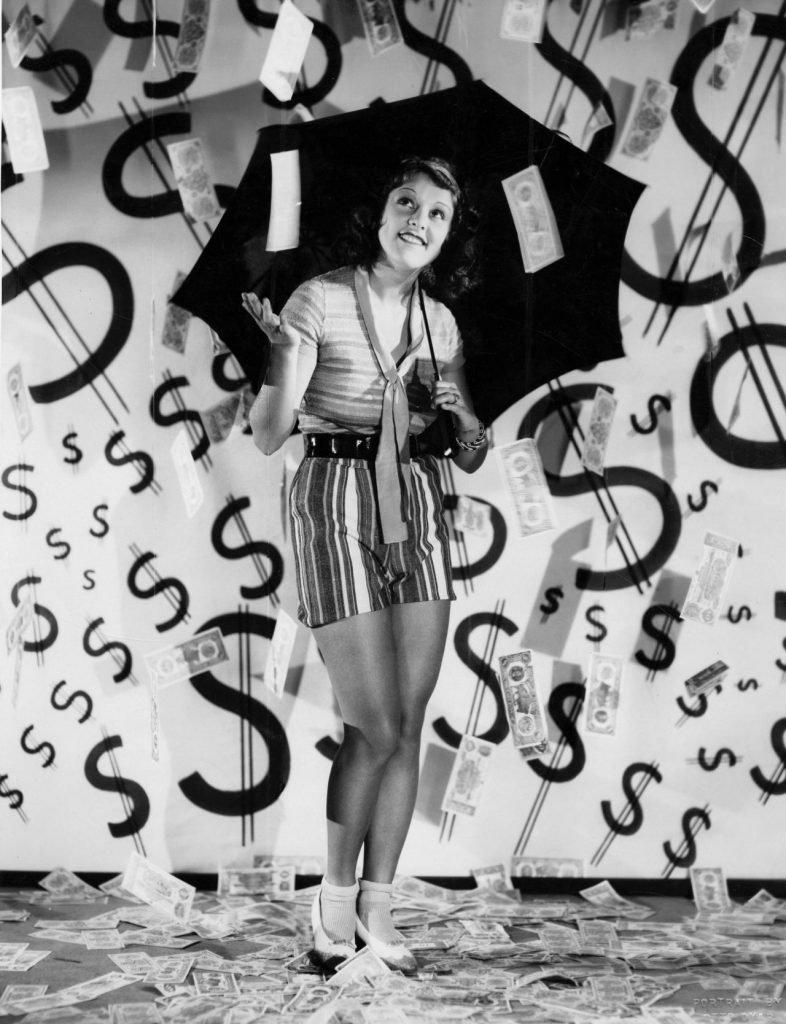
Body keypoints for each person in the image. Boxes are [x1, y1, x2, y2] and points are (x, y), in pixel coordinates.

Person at [243, 156, 487, 973]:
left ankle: (379, 908)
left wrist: (461, 416)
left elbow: (471, 451)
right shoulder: (316, 300)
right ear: (379, 213)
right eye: (406, 201)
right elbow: (269, 436)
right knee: (373, 725)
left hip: (416, 501)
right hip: (332, 498)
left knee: (409, 723)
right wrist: (284, 357)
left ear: (449, 237)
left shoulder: (440, 325)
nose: (420, 219)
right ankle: (334, 899)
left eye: (438, 213)